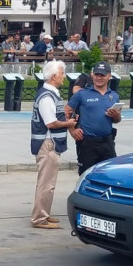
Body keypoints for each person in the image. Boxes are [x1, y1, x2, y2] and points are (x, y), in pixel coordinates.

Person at [30, 61, 78, 230]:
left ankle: (44, 213)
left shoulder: (50, 94)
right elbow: (51, 123)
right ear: (54, 76)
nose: (64, 77)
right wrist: (69, 123)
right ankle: (39, 218)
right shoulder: (46, 96)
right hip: (48, 143)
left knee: (47, 182)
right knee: (46, 183)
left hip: (49, 142)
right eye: (62, 73)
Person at [65, 61, 122, 175]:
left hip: (107, 141)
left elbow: (117, 120)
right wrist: (72, 130)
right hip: (87, 142)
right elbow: (67, 111)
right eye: (97, 74)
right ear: (92, 75)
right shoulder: (82, 94)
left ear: (109, 76)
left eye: (102, 75)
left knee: (109, 174)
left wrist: (116, 116)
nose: (99, 78)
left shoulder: (114, 96)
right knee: (86, 175)